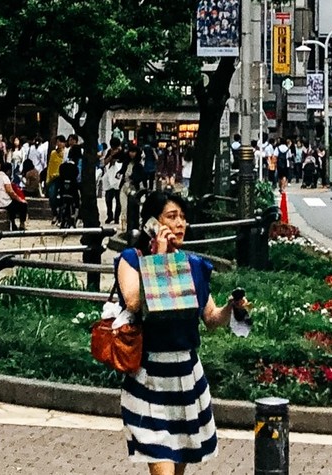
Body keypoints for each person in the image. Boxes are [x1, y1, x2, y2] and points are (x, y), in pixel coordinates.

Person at [115, 190, 245, 469]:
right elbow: (134, 302)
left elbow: (210, 318)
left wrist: (231, 308)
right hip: (149, 374)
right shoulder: (132, 259)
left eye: (183, 218)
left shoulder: (193, 265)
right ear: (153, 223)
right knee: (160, 459)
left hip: (186, 375)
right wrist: (159, 257)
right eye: (171, 217)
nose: (179, 224)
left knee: (180, 463)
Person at [0, 161, 26, 232]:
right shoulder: (4, 177)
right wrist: (19, 199)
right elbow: (10, 191)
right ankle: (21, 224)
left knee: (13, 205)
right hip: (3, 202)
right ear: (8, 171)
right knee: (22, 205)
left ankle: (13, 223)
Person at [101, 144, 127, 226]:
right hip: (109, 179)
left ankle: (116, 218)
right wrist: (111, 155)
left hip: (118, 180)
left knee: (118, 200)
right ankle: (110, 216)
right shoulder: (110, 152)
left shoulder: (124, 153)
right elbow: (105, 163)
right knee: (108, 199)